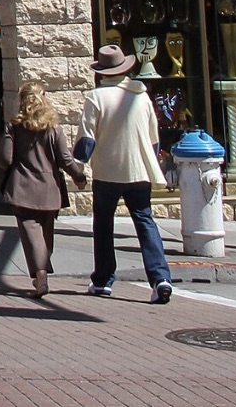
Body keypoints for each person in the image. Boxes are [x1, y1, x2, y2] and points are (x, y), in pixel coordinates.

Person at [82, 43, 174, 303]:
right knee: (145, 221)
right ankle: (160, 278)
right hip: (138, 170)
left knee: (103, 224)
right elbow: (153, 138)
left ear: (101, 72)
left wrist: (78, 166)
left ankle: (103, 279)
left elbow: (87, 139)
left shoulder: (96, 97)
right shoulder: (141, 95)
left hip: (108, 170)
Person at [0, 80, 86, 297]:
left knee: (31, 233)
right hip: (50, 190)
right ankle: (41, 274)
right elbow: (65, 159)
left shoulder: (14, 127)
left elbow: (4, 159)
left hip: (23, 188)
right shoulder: (54, 128)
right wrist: (78, 176)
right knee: (45, 235)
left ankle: (40, 276)